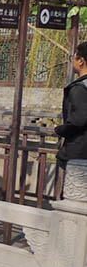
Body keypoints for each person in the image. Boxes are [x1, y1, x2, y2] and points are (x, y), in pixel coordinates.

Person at [55, 41, 87, 172]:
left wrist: (60, 130)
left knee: (75, 192)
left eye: (73, 58)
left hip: (79, 154)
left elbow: (79, 119)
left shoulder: (79, 89)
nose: (72, 61)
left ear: (81, 61)